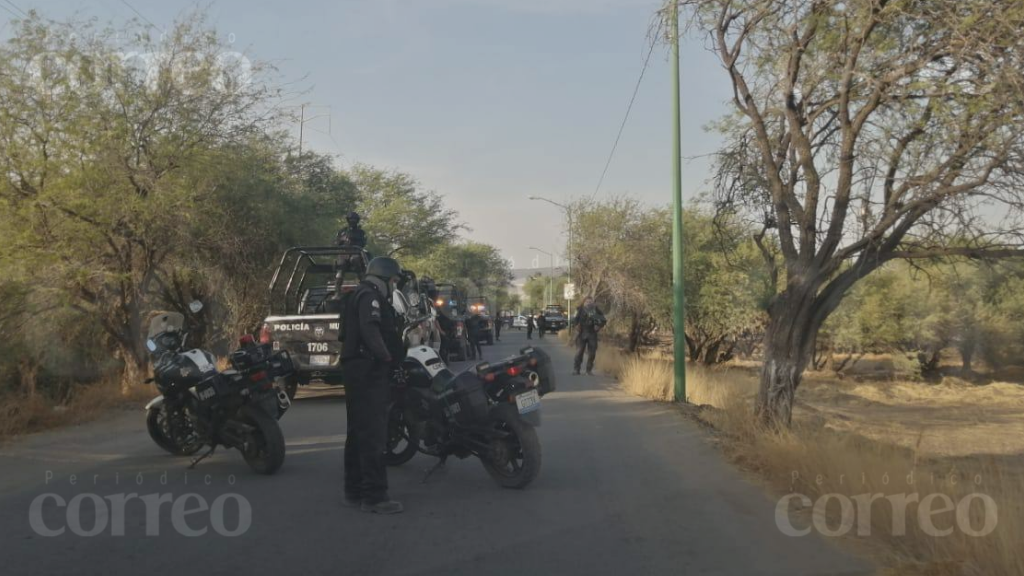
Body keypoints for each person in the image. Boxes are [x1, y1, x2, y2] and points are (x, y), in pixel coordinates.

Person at [340, 256, 406, 514]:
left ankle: (353, 491)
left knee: (358, 433)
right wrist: (388, 358)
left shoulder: (357, 295)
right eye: (393, 281)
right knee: (374, 436)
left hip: (356, 369)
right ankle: (375, 497)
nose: (394, 286)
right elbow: (371, 330)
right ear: (383, 278)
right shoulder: (370, 297)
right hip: (368, 371)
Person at [572, 296, 607, 376]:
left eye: (590, 301)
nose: (588, 303)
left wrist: (598, 326)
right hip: (582, 333)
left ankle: (588, 370)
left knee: (592, 353)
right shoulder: (580, 309)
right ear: (584, 302)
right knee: (579, 352)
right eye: (587, 301)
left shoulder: (595, 311)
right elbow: (574, 320)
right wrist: (576, 325)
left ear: (593, 302)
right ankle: (576, 369)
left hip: (592, 333)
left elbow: (603, 320)